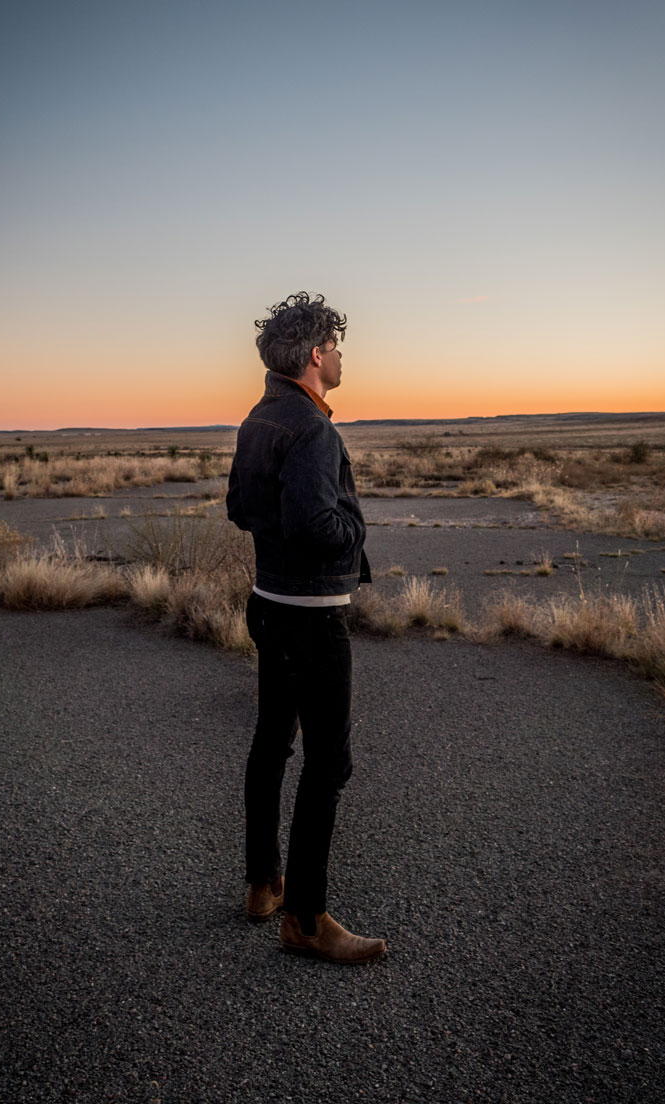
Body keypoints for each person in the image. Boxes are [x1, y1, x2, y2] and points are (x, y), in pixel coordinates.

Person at [226, 291, 386, 965]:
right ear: (317, 355)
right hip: (312, 620)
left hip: (269, 604)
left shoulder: (259, 418)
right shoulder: (314, 430)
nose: (343, 356)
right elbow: (315, 525)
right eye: (337, 346)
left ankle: (264, 884)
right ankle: (307, 918)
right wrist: (356, 530)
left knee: (271, 744)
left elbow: (239, 508)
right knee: (328, 762)